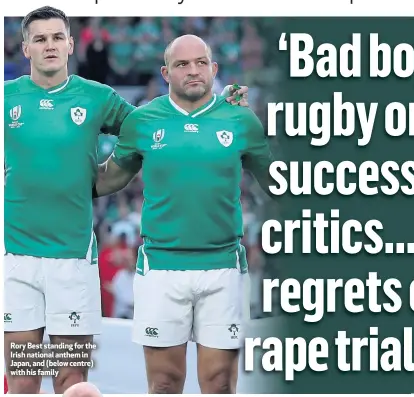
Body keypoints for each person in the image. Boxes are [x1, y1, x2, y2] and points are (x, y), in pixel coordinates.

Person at [4, 7, 250, 394]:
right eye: (40, 39)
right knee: (22, 380)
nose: (49, 45)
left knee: (70, 380)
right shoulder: (7, 98)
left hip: (72, 260)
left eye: (56, 37)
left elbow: (156, 130)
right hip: (17, 257)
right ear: (25, 48)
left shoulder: (96, 97)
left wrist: (222, 113)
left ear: (70, 44)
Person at [94, 34, 273, 394]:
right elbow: (108, 178)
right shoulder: (143, 120)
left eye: (200, 63)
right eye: (182, 64)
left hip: (223, 266)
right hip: (161, 266)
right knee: (164, 383)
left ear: (214, 69)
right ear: (165, 72)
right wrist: (50, 175)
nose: (193, 71)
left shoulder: (241, 121)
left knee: (220, 383)